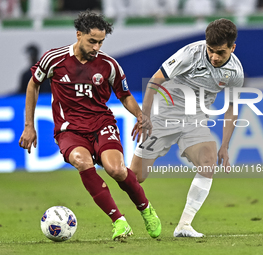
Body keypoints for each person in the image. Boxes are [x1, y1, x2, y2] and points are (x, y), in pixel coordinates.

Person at [18, 10, 161, 241]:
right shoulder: (54, 59)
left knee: (116, 169)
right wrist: (29, 126)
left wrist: (140, 114)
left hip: (101, 124)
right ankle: (119, 222)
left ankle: (146, 209)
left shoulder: (109, 65)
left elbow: (124, 95)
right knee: (81, 161)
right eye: (92, 41)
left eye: (101, 42)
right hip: (69, 130)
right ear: (78, 35)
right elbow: (33, 85)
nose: (96, 47)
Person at [130, 18, 244, 237]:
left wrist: (225, 146)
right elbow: (155, 80)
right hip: (164, 116)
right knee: (136, 176)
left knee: (208, 161)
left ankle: (184, 225)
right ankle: (119, 214)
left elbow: (232, 108)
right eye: (211, 50)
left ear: (233, 47)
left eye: (220, 52)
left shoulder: (235, 72)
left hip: (195, 120)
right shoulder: (190, 54)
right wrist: (144, 116)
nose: (214, 57)